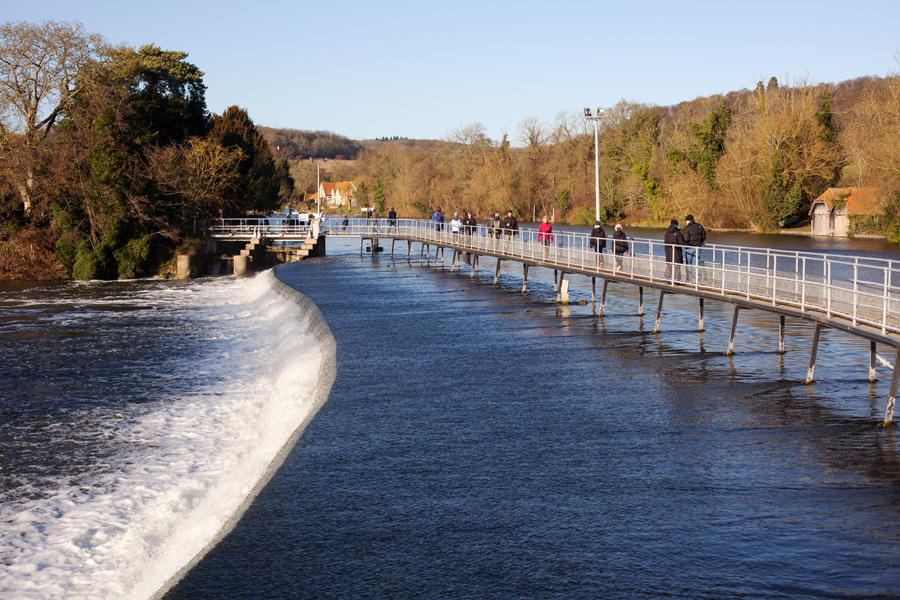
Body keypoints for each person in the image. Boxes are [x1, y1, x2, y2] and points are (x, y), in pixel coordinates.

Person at [682, 214, 706, 283]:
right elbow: (704, 237)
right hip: (697, 247)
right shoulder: (700, 226)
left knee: (688, 263)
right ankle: (698, 277)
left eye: (686, 221)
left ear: (688, 220)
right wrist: (699, 242)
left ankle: (688, 279)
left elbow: (686, 239)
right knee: (696, 263)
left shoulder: (687, 228)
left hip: (689, 247)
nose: (686, 223)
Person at [664, 219, 685, 284]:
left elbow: (665, 243)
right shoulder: (678, 233)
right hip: (677, 252)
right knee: (677, 267)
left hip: (669, 252)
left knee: (669, 266)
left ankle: (667, 279)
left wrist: (666, 252)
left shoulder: (667, 233)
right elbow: (682, 243)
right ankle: (676, 281)